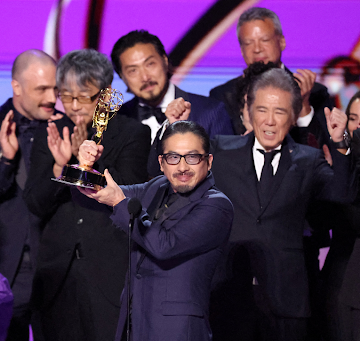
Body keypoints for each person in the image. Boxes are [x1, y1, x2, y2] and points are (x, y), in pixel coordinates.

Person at [208, 68, 351, 341]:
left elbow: (341, 195)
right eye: (262, 110)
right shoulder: (221, 151)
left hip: (286, 299)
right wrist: (171, 126)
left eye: (280, 112)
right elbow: (171, 171)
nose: (270, 121)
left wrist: (339, 143)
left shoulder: (308, 160)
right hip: (229, 296)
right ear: (249, 111)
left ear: (294, 116)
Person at [23, 49, 151, 341]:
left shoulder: (132, 132)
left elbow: (129, 194)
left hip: (109, 270)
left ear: (105, 96)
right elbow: (35, 202)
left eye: (84, 96)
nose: (74, 105)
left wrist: (89, 165)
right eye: (66, 96)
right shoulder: (52, 132)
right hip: (58, 274)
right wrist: (61, 164)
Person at [76, 120, 233, 341]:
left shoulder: (217, 205)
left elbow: (164, 245)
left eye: (192, 157)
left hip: (177, 329)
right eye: (173, 157)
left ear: (208, 161)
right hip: (136, 321)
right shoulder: (157, 186)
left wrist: (119, 202)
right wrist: (85, 170)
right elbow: (105, 195)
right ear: (161, 162)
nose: (182, 167)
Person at [0, 49, 60, 341]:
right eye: (42, 89)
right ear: (16, 87)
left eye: (56, 88)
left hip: (56, 268)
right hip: (1, 267)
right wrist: (5, 162)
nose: (51, 98)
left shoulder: (67, 127)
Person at [110, 30, 234, 176]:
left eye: (150, 64)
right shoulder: (116, 120)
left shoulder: (211, 112)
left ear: (165, 60)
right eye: (133, 71)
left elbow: (226, 175)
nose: (145, 77)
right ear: (121, 77)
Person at [209, 7, 333, 144]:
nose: (257, 49)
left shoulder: (315, 93)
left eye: (265, 40)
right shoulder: (223, 96)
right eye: (249, 43)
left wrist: (303, 106)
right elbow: (220, 151)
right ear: (242, 50)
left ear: (281, 42)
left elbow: (326, 151)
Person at [319, 91, 360, 341]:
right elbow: (342, 201)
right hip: (344, 278)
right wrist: (342, 146)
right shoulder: (340, 157)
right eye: (354, 118)